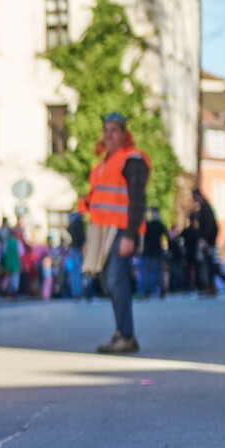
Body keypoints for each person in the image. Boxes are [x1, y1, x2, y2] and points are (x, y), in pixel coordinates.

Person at [83, 113, 149, 354]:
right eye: (106, 130)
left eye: (114, 130)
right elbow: (97, 201)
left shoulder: (132, 160)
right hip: (101, 230)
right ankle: (122, 332)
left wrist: (130, 235)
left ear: (124, 134)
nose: (108, 135)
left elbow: (137, 200)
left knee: (115, 280)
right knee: (107, 282)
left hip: (121, 229)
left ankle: (126, 336)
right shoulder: (103, 164)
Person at [188, 189, 219, 296]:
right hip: (207, 240)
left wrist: (205, 239)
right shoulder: (203, 208)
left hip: (207, 241)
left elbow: (211, 225)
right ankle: (207, 286)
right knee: (206, 264)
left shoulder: (206, 209)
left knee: (207, 265)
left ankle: (210, 287)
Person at [139, 206, 168, 299]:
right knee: (159, 271)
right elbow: (166, 237)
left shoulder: (148, 225)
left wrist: (141, 248)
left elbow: (142, 237)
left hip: (149, 251)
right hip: (157, 250)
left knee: (147, 272)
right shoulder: (160, 225)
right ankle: (161, 289)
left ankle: (147, 291)